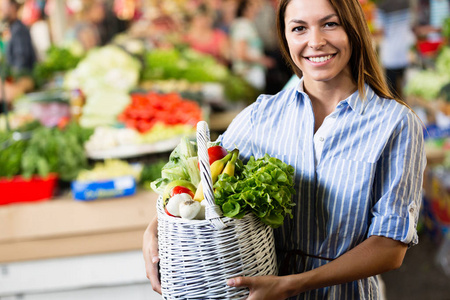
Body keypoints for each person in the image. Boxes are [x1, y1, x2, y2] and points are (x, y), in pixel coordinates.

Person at [143, 0, 426, 299]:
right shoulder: (260, 116)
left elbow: (390, 247)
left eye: (330, 24)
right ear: (286, 37)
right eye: (299, 28)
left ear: (353, 29)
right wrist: (156, 227)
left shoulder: (395, 124)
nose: (315, 42)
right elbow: (202, 181)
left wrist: (293, 284)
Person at [229, 0, 275, 91]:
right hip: (248, 74)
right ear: (245, 8)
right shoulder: (243, 25)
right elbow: (240, 53)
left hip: (252, 73)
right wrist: (263, 60)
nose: (257, 9)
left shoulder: (249, 25)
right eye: (253, 6)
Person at [0, 0, 36, 112]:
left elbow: (21, 60)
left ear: (13, 7)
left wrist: (12, 83)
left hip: (22, 84)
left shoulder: (19, 30)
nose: (2, 11)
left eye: (4, 7)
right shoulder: (13, 29)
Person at [374, 0, 416, 99]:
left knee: (392, 93)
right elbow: (413, 24)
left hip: (391, 55)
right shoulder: (407, 3)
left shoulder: (382, 6)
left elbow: (380, 30)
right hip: (406, 51)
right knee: (406, 90)